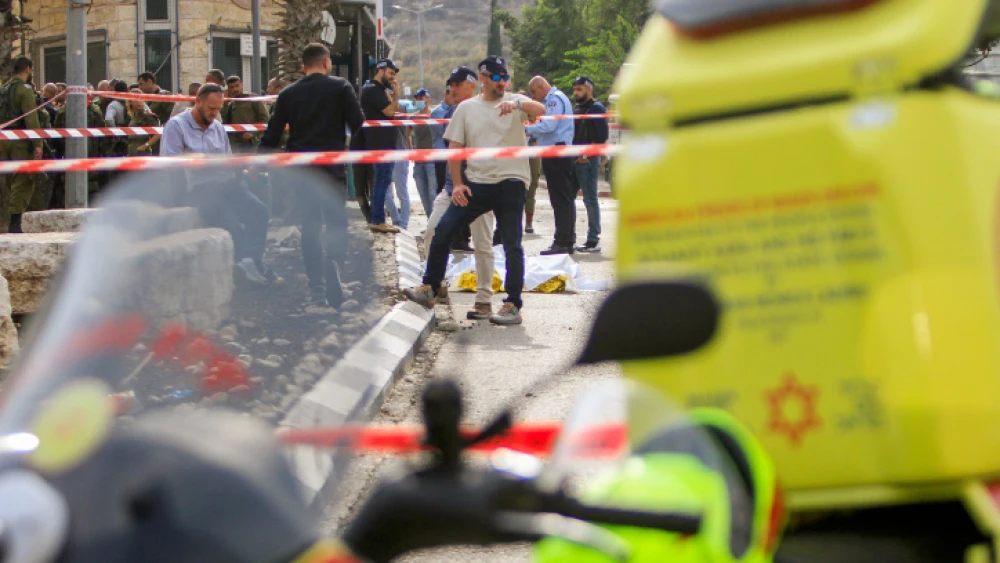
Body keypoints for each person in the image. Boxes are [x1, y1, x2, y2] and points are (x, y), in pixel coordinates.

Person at [404, 56, 546, 326]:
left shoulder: (515, 102)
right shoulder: (467, 109)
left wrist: (517, 102)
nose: (501, 82)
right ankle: (431, 287)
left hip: (511, 181)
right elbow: (454, 149)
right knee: (443, 230)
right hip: (476, 183)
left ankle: (513, 303)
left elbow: (541, 109)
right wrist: (457, 183)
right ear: (482, 79)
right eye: (495, 77)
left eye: (504, 77)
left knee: (512, 242)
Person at [260, 42, 365, 309]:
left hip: (302, 172)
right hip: (332, 168)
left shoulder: (288, 94)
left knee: (310, 226)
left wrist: (257, 161)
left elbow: (272, 134)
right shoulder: (341, 87)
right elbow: (358, 124)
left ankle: (317, 287)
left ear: (303, 67)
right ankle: (334, 265)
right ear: (327, 63)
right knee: (337, 223)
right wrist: (364, 159)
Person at [161, 83, 278, 287]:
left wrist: (243, 172)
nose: (215, 114)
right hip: (198, 189)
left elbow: (227, 161)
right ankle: (246, 268)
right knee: (231, 224)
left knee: (259, 211)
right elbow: (169, 164)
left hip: (225, 184)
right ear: (197, 102)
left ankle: (252, 263)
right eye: (210, 109)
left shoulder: (218, 128)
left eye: (218, 109)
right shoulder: (176, 126)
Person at [420, 66, 492, 312]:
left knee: (483, 245)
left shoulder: (488, 110)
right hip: (452, 188)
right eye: (451, 84)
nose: (452, 88)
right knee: (431, 233)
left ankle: (484, 299)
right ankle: (437, 284)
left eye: (457, 84)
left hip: (480, 189)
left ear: (471, 85)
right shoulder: (452, 111)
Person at [526, 75, 576, 255]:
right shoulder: (557, 98)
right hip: (556, 152)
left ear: (541, 87)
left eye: (533, 92)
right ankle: (566, 239)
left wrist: (526, 129)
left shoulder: (554, 100)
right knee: (563, 199)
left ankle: (562, 241)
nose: (533, 97)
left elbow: (549, 126)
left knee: (560, 199)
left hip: (557, 153)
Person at [359, 58, 401, 233]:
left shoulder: (379, 89)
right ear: (380, 71)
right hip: (380, 141)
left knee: (382, 180)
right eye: (390, 73)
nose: (392, 78)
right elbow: (390, 111)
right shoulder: (373, 89)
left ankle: (378, 218)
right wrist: (396, 95)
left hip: (383, 140)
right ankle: (378, 219)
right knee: (382, 180)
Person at [1, 57, 42, 233]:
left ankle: (10, 219)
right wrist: (38, 143)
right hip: (20, 140)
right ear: (27, 69)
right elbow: (31, 118)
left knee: (10, 181)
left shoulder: (3, 89)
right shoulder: (24, 90)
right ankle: (15, 223)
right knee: (24, 179)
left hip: (4, 139)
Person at [571, 75, 609, 253]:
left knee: (590, 199)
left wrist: (586, 155)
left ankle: (593, 240)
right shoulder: (578, 108)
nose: (576, 92)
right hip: (575, 157)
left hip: (587, 159)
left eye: (579, 89)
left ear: (589, 89)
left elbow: (601, 137)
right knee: (569, 198)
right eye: (575, 89)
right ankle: (568, 237)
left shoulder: (596, 108)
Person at [223, 75, 269, 154]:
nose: (235, 89)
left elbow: (265, 119)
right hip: (237, 146)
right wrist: (224, 103)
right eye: (231, 87)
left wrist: (252, 133)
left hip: (252, 144)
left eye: (237, 86)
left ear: (242, 85)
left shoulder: (252, 99)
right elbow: (225, 124)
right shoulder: (231, 104)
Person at [410, 88, 437, 216]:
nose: (419, 101)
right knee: (423, 193)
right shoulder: (413, 116)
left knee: (433, 193)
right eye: (417, 98)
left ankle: (434, 226)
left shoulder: (434, 115)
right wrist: (411, 149)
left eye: (422, 98)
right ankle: (429, 222)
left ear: (428, 99)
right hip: (418, 160)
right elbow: (407, 134)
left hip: (431, 159)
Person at [137, 72, 174, 139]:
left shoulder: (163, 96)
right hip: (151, 136)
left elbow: (172, 115)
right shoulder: (147, 98)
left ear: (149, 81)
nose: (140, 87)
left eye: (141, 84)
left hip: (162, 136)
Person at [126, 91, 161, 156]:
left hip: (143, 152)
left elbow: (158, 134)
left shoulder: (148, 116)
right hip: (133, 151)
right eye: (136, 99)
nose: (138, 102)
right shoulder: (134, 117)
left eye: (141, 99)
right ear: (130, 101)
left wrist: (145, 146)